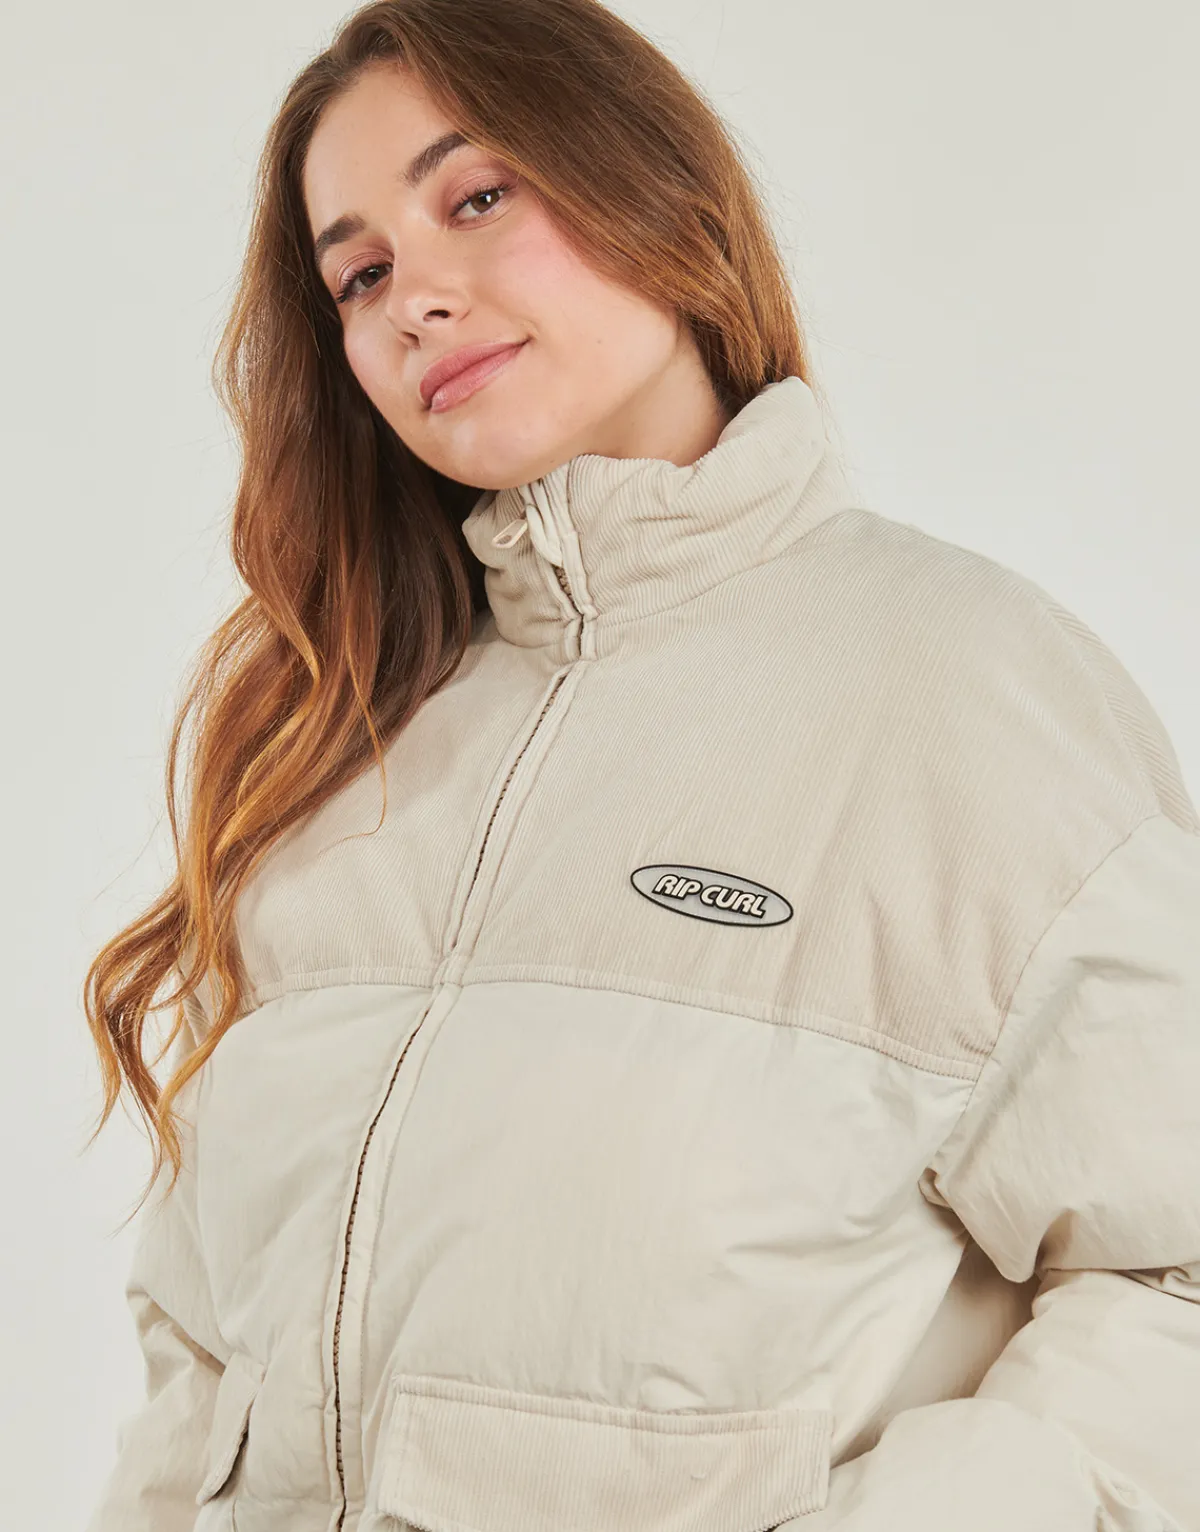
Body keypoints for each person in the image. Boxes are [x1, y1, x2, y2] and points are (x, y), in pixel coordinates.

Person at [82, 2, 1200, 1529]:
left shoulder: (971, 693)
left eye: (478, 197)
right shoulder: (340, 746)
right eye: (361, 274)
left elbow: (1173, 1272)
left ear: (654, 187)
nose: (417, 299)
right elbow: (202, 1362)